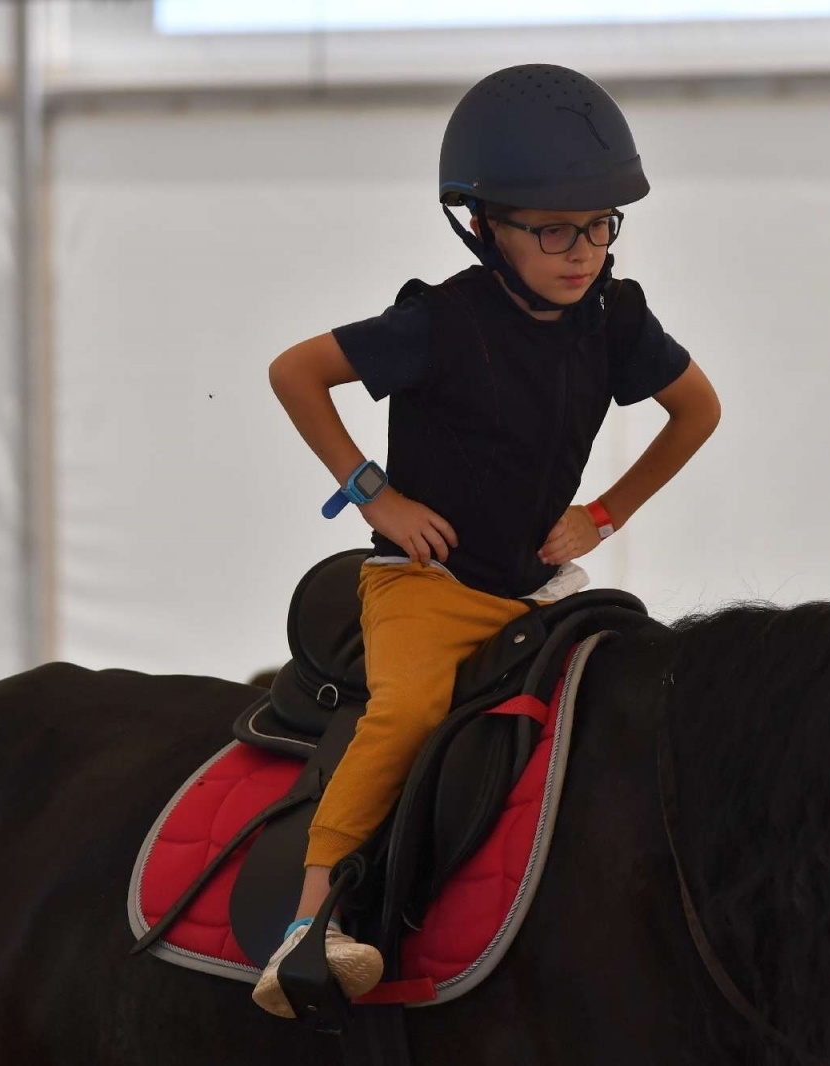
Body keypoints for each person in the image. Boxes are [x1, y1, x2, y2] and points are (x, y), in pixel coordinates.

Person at [255, 63, 721, 1018]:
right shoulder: (434, 322)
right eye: (554, 230)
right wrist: (372, 493)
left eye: (600, 226)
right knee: (410, 710)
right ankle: (307, 930)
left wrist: (605, 513)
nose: (582, 250)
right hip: (427, 585)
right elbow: (295, 372)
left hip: (537, 590)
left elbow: (697, 411)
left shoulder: (615, 319)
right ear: (482, 226)